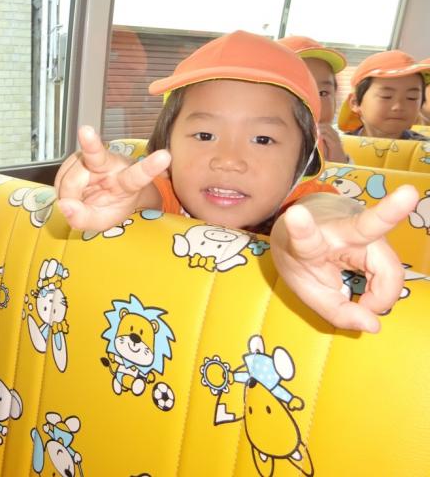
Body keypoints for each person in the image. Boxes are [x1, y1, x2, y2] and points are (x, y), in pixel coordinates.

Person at [55, 30, 419, 335]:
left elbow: (323, 211)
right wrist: (100, 185)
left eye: (262, 139)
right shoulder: (168, 193)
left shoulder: (301, 205)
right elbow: (138, 194)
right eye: (204, 135)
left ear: (304, 157)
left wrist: (315, 229)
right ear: (167, 145)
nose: (228, 159)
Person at [278, 35, 349, 162]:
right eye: (298, 92)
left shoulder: (334, 148)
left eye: (322, 93)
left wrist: (339, 163)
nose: (314, 104)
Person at [337, 49, 430, 140]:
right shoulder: (335, 145)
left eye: (412, 98)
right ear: (355, 102)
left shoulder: (425, 147)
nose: (398, 107)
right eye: (386, 96)